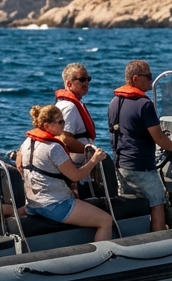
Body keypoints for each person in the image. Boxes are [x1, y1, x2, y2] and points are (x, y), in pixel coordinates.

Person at [109, 60, 172, 232]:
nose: (151, 80)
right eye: (149, 76)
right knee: (157, 202)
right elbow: (159, 138)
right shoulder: (144, 105)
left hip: (121, 164)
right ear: (136, 78)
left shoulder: (115, 101)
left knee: (133, 203)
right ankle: (158, 240)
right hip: (141, 167)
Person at [18, 104, 114, 241]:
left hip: (33, 204)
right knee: (105, 220)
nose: (64, 125)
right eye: (60, 122)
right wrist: (94, 160)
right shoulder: (53, 148)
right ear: (46, 125)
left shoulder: (27, 142)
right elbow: (76, 176)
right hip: (55, 204)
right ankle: (104, 258)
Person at [54, 62, 98, 196]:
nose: (86, 83)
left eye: (88, 79)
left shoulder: (73, 104)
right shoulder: (69, 107)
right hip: (75, 166)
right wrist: (90, 153)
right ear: (69, 84)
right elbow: (65, 138)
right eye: (81, 80)